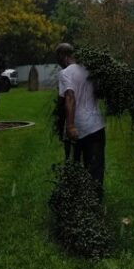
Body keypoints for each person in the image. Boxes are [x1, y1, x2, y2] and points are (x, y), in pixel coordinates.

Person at [55, 43, 105, 194]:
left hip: (78, 128)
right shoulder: (89, 70)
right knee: (96, 167)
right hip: (97, 126)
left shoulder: (65, 73)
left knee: (75, 165)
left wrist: (69, 126)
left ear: (63, 56)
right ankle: (94, 201)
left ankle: (77, 199)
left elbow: (70, 97)